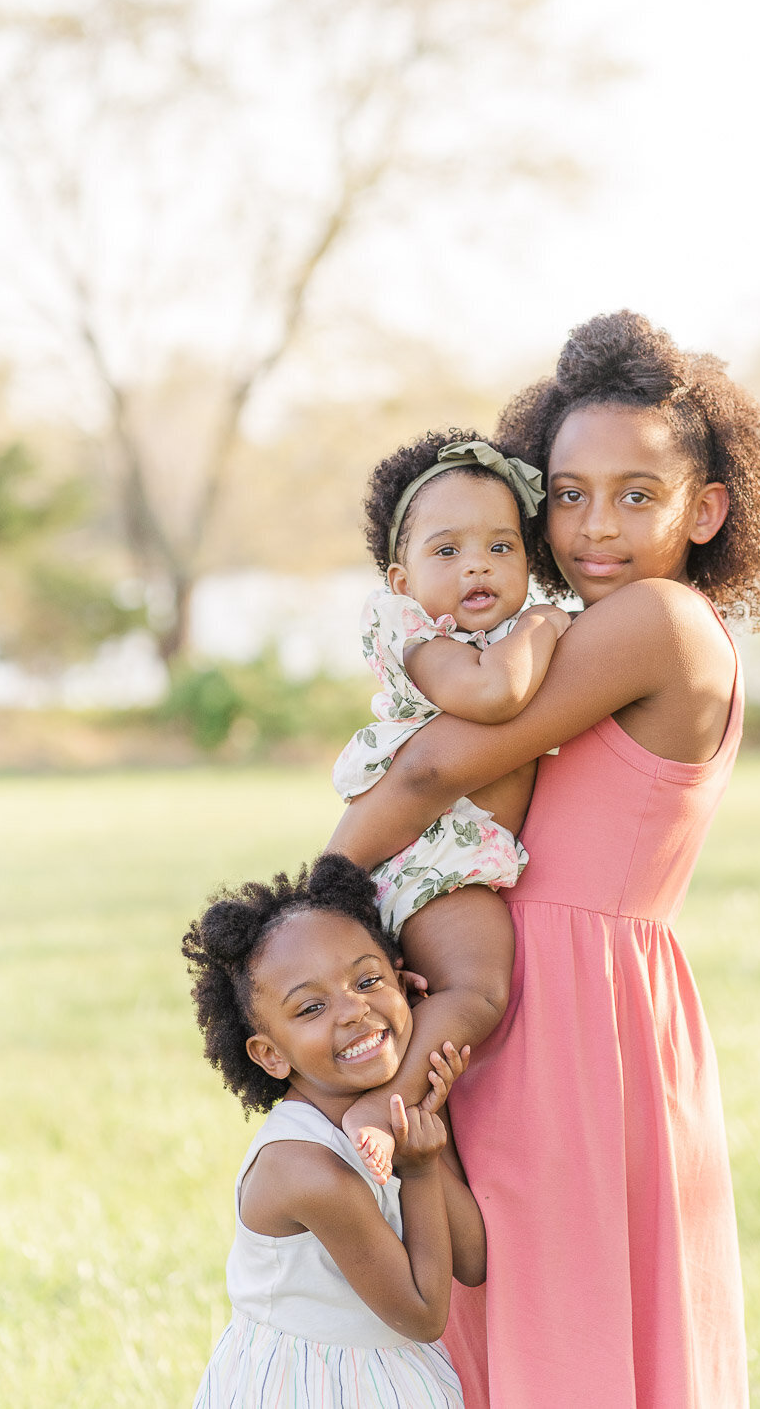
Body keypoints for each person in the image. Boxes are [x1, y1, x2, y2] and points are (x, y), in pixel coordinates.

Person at [327, 311, 760, 1409]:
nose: (595, 523)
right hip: (522, 982)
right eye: (569, 491)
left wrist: (303, 908)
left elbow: (429, 770)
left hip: (572, 1013)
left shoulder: (659, 621)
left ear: (707, 508)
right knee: (498, 1293)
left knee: (557, 1309)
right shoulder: (563, 627)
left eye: (639, 493)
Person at [332, 430, 571, 1179]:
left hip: (446, 855)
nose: (478, 564)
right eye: (448, 551)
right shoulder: (416, 633)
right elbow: (491, 695)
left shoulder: (495, 632)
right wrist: (542, 622)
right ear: (401, 580)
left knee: (444, 995)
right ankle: (385, 1107)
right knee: (477, 990)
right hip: (432, 853)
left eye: (503, 547)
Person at [182, 854, 486, 1409]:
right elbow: (422, 1312)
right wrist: (417, 1170)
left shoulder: (390, 1114)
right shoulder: (306, 1169)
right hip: (309, 1386)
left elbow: (473, 1258)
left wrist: (420, 1117)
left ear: (404, 980)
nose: (353, 1010)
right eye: (312, 1007)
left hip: (390, 1375)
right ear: (270, 1054)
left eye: (369, 981)